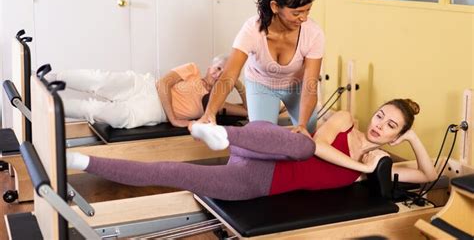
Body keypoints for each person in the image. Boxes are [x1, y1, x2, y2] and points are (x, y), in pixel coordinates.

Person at [67, 99, 437, 200]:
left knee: (173, 173)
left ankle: (83, 161)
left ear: (395, 136)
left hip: (258, 180)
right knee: (303, 144)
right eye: (381, 115)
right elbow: (318, 148)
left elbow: (428, 176)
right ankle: (225, 136)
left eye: (391, 126)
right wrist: (365, 169)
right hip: (268, 146)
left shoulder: (380, 159)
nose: (379, 125)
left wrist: (414, 140)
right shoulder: (346, 120)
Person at [198, 0, 325, 136]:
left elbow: (310, 87)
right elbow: (229, 75)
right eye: (297, 13)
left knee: (308, 134)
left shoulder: (314, 34)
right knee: (262, 137)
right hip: (261, 84)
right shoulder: (252, 30)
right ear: (275, 6)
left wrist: (301, 125)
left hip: (298, 86)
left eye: (307, 11)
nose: (304, 18)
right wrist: (210, 113)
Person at [57, 55, 247, 129]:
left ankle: (54, 108)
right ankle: (48, 77)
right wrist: (174, 119)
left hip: (154, 111)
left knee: (102, 112)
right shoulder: (192, 69)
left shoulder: (216, 102)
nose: (217, 73)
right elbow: (163, 84)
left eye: (223, 72)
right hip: (145, 86)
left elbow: (249, 112)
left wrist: (238, 85)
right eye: (217, 67)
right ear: (210, 66)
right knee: (100, 79)